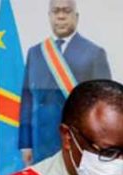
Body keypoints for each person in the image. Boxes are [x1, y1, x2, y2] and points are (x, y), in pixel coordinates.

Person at [19, 0, 111, 166]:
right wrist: (26, 143)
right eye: (56, 11)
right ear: (49, 16)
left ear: (76, 17)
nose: (61, 16)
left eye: (66, 11)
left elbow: (104, 104)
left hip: (78, 139)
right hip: (41, 144)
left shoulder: (94, 53)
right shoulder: (35, 53)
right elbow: (27, 100)